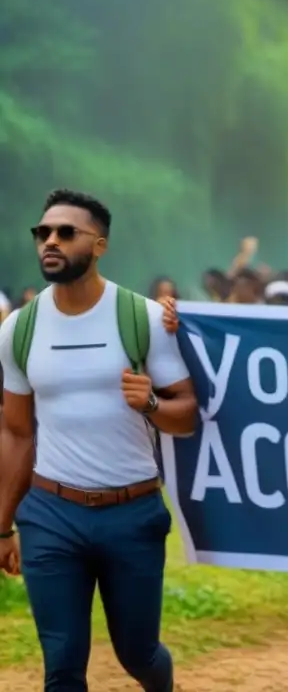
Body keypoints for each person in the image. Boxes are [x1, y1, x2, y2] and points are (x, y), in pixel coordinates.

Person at [0, 189, 198, 692]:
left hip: (131, 510)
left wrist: (152, 405)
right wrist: (3, 525)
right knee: (62, 664)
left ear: (100, 244)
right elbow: (18, 431)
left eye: (67, 232)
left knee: (139, 652)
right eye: (43, 232)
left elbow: (188, 415)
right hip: (50, 513)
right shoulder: (18, 330)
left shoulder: (144, 319)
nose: (51, 240)